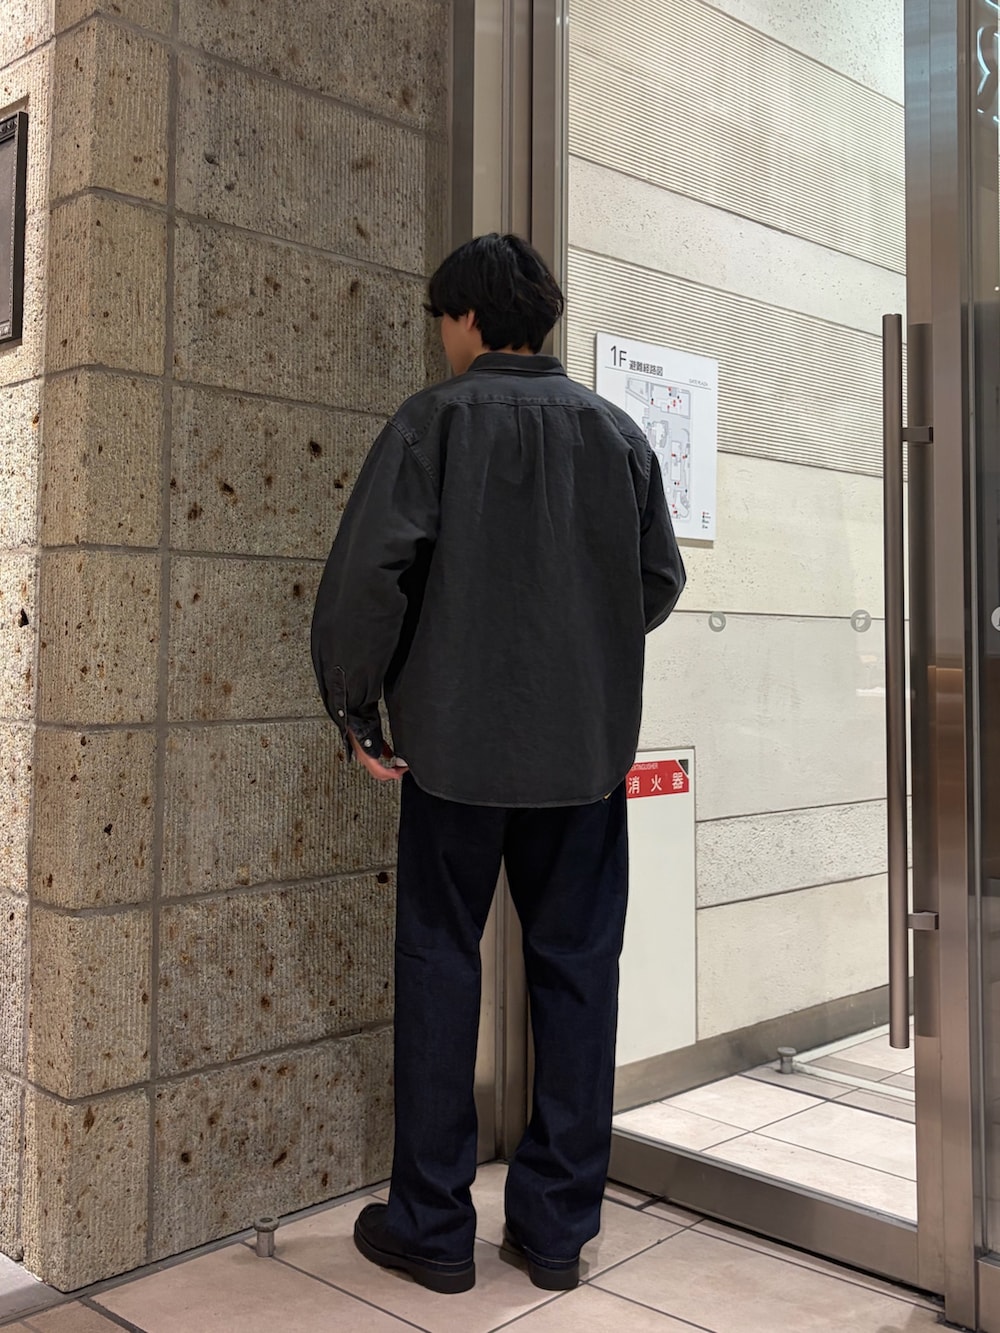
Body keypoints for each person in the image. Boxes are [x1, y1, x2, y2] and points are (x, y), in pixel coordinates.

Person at [310, 233, 685, 1296]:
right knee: (578, 974)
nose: (441, 337)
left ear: (469, 317)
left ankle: (432, 1226)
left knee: (440, 964)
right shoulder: (616, 434)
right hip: (583, 760)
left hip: (454, 756)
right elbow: (657, 580)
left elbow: (367, 581)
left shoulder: (431, 423)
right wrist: (578, 649)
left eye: (442, 318)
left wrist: (357, 707)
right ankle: (556, 1230)